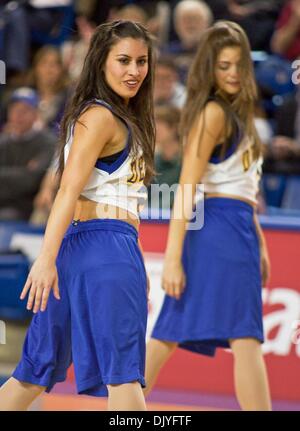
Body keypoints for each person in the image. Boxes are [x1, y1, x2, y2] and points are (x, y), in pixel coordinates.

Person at [0, 20, 155, 411]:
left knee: (30, 374)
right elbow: (66, 191)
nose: (134, 70)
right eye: (123, 60)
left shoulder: (101, 115)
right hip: (106, 250)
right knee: (123, 376)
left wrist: (52, 258)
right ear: (101, 62)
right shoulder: (103, 117)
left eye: (141, 61)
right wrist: (44, 259)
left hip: (77, 251)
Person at [145, 21, 272, 411]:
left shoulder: (241, 113)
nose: (233, 73)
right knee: (244, 336)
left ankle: (121, 407)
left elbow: (245, 189)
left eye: (239, 65)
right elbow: (186, 185)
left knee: (171, 331)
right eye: (223, 66)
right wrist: (171, 257)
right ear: (209, 69)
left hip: (240, 228)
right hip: (218, 230)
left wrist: (261, 243)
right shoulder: (213, 113)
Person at [0, 87, 56, 221]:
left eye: (24, 110)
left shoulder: (47, 142)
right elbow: (25, 176)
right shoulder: (3, 142)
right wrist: (22, 172)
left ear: (35, 114)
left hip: (27, 207)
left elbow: (31, 180)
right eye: (14, 110)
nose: (18, 115)